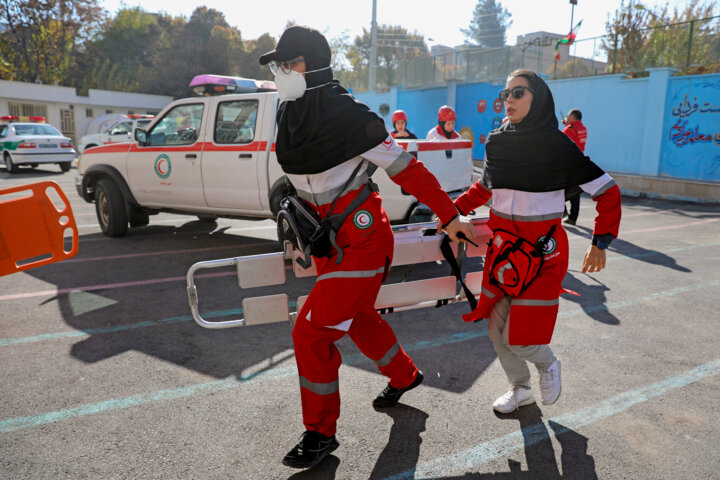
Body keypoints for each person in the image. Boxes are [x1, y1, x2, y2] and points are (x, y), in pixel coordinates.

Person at [258, 26, 476, 470]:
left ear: (312, 66)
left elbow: (409, 172)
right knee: (357, 317)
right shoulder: (288, 112)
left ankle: (320, 433)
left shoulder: (354, 118)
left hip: (363, 242)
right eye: (278, 65)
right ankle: (406, 376)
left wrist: (450, 216)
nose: (281, 72)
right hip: (325, 242)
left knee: (310, 331)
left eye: (288, 63)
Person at [451, 69, 621, 414]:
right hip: (503, 255)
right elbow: (485, 188)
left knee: (523, 337)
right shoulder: (496, 141)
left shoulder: (557, 145)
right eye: (505, 93)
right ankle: (520, 388)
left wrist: (600, 241)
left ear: (538, 98)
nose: (507, 100)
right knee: (497, 333)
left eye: (518, 93)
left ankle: (548, 364)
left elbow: (606, 190)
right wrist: (450, 211)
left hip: (544, 255)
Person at [562, 109, 588, 225]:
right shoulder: (583, 128)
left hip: (568, 163)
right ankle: (573, 217)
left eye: (568, 116)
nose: (566, 117)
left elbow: (562, 145)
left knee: (556, 189)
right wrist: (567, 124)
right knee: (575, 191)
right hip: (579, 162)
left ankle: (563, 212)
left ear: (573, 118)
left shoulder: (569, 129)